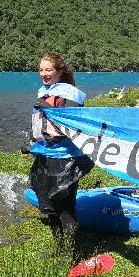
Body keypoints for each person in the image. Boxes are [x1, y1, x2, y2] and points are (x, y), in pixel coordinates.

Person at [28, 53, 93, 248]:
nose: (43, 73)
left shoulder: (70, 93)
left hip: (66, 158)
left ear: (59, 72)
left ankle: (69, 253)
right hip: (46, 154)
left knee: (65, 208)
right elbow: (41, 124)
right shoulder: (44, 91)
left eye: (48, 70)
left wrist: (47, 105)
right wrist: (30, 141)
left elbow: (72, 123)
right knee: (50, 206)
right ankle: (58, 247)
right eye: (41, 69)